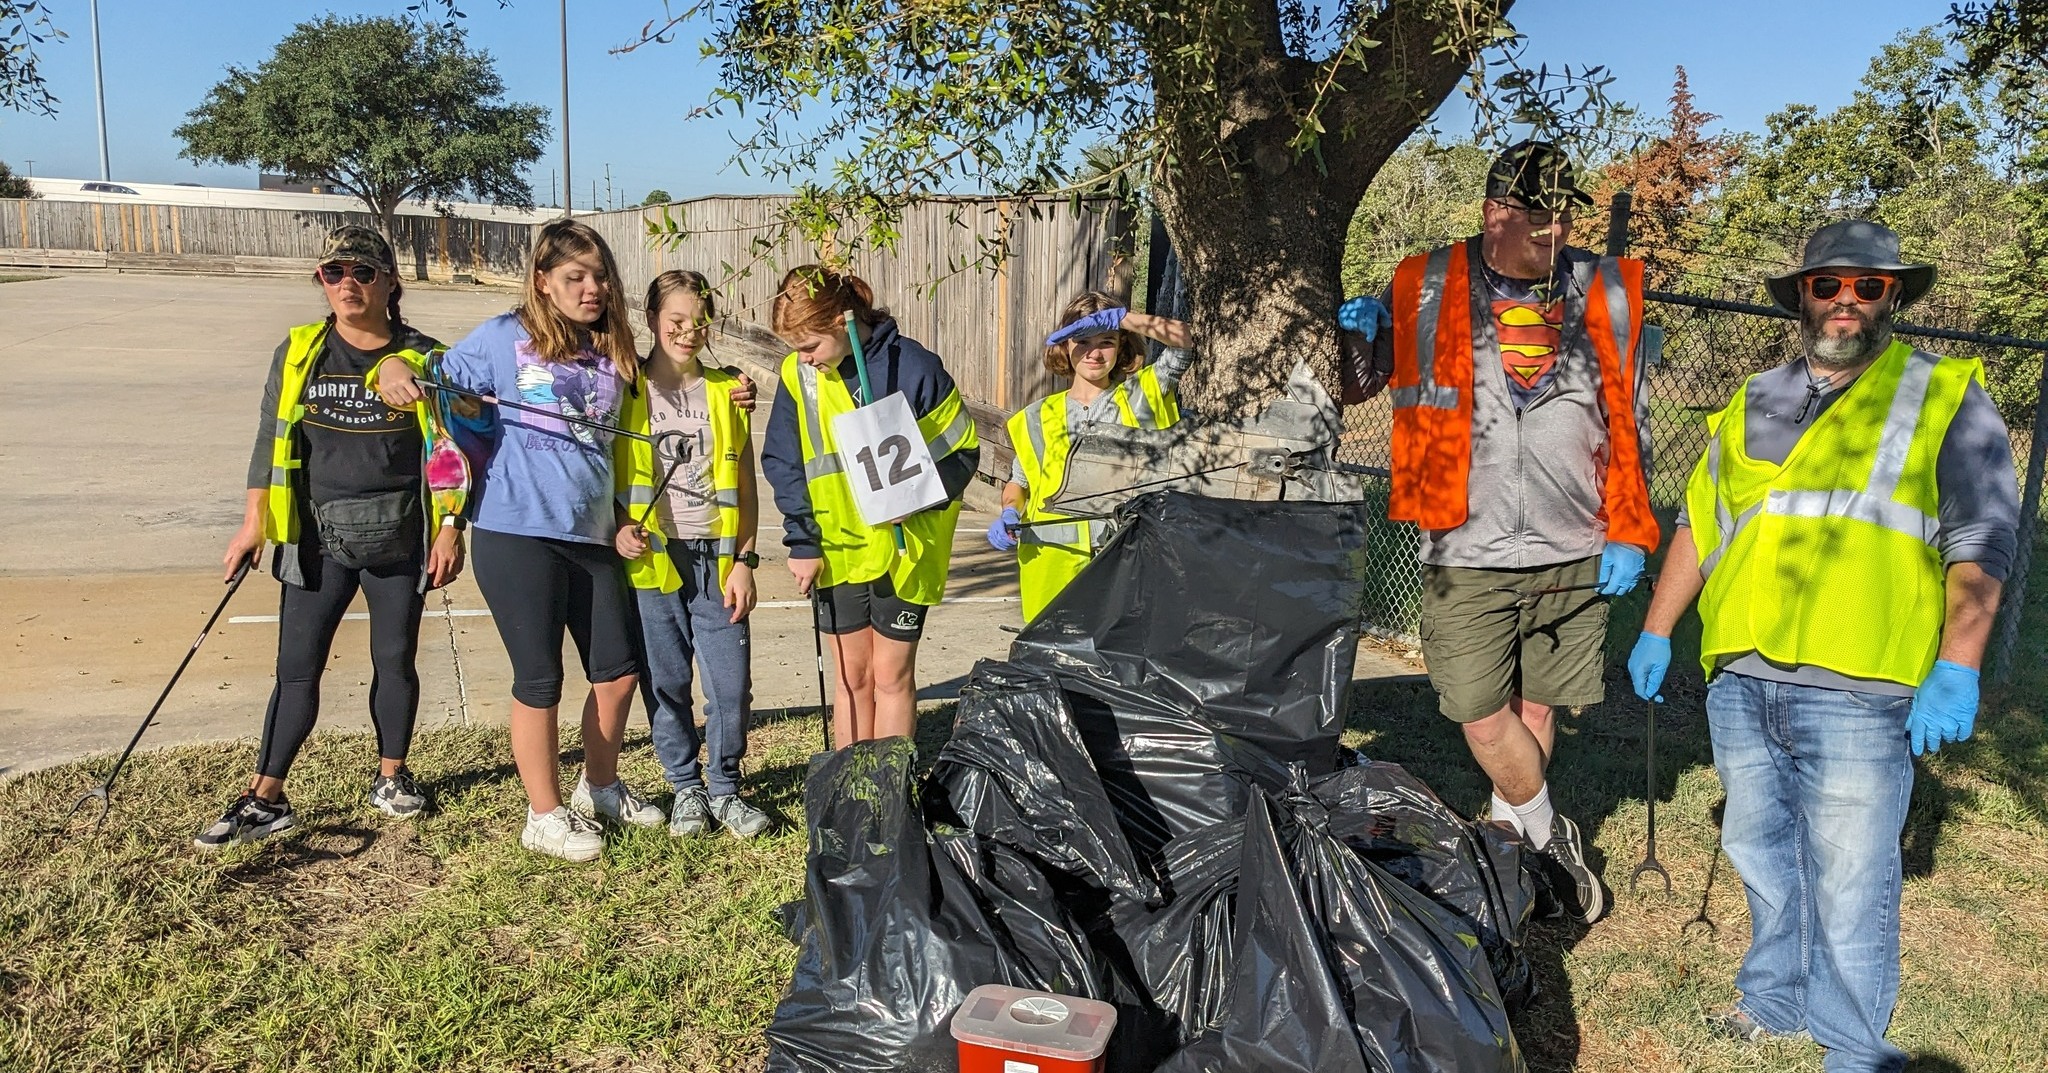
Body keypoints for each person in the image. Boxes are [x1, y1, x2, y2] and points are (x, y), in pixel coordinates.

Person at [1628, 220, 2017, 1072]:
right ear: (1801, 295)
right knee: (1760, 850)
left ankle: (1850, 1042)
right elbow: (1701, 521)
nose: (1846, 301)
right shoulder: (1753, 397)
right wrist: (1659, 627)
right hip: (1742, 673)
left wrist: (1958, 664)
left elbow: (1982, 536)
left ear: (1895, 298)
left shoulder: (1942, 393)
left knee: (1849, 872)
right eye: (1828, 284)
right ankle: (1774, 996)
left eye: (1868, 286)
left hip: (1862, 682)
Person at [1341, 140, 1661, 923]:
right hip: (1466, 540)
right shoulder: (1422, 281)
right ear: (1493, 214)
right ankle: (1552, 837)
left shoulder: (1608, 291)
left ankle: (1505, 846)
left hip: (1576, 538)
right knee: (1480, 709)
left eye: (1564, 217)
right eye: (1540, 218)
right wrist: (1359, 333)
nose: (1557, 233)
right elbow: (1361, 385)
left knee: (1538, 704)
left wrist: (1629, 529)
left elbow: (1633, 421)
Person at [372, 219, 663, 863]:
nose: (592, 289)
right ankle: (544, 815)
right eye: (575, 278)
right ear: (543, 282)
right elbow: (430, 373)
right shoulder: (506, 338)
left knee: (617, 673)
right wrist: (392, 363)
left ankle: (602, 788)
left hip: (593, 533)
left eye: (600, 276)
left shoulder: (612, 351)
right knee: (540, 679)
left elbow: (616, 442)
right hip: (516, 531)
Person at [197, 225, 470, 850]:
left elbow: (454, 450)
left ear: (390, 283)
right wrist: (252, 525)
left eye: (363, 272)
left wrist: (451, 529)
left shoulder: (429, 357)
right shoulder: (298, 351)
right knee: (297, 669)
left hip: (399, 536)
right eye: (334, 272)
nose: (348, 283)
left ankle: (393, 778)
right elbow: (270, 441)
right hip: (313, 539)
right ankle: (266, 796)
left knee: (394, 659)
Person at [759, 265, 980, 746]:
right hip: (836, 548)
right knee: (851, 677)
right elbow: (784, 459)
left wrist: (919, 497)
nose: (806, 359)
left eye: (810, 345)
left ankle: (889, 792)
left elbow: (963, 452)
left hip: (906, 550)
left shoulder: (914, 366)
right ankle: (852, 789)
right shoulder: (800, 375)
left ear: (842, 320)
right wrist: (802, 541)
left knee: (890, 676)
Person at [615, 270, 771, 839]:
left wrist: (746, 560)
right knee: (667, 679)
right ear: (653, 318)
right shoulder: (624, 388)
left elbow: (747, 488)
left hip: (718, 559)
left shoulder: (728, 391)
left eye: (699, 321)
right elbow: (603, 478)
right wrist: (618, 529)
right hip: (655, 558)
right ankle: (684, 787)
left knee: (729, 685)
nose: (687, 332)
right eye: (676, 321)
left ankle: (726, 787)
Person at [990, 292, 1192, 621]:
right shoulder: (1036, 417)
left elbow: (1183, 341)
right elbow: (1020, 481)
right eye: (1082, 341)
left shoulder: (1143, 394)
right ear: (1065, 346)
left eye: (1107, 341)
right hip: (1051, 567)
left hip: (1127, 565)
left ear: (1122, 346)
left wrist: (1123, 318)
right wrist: (1009, 511)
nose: (1094, 353)